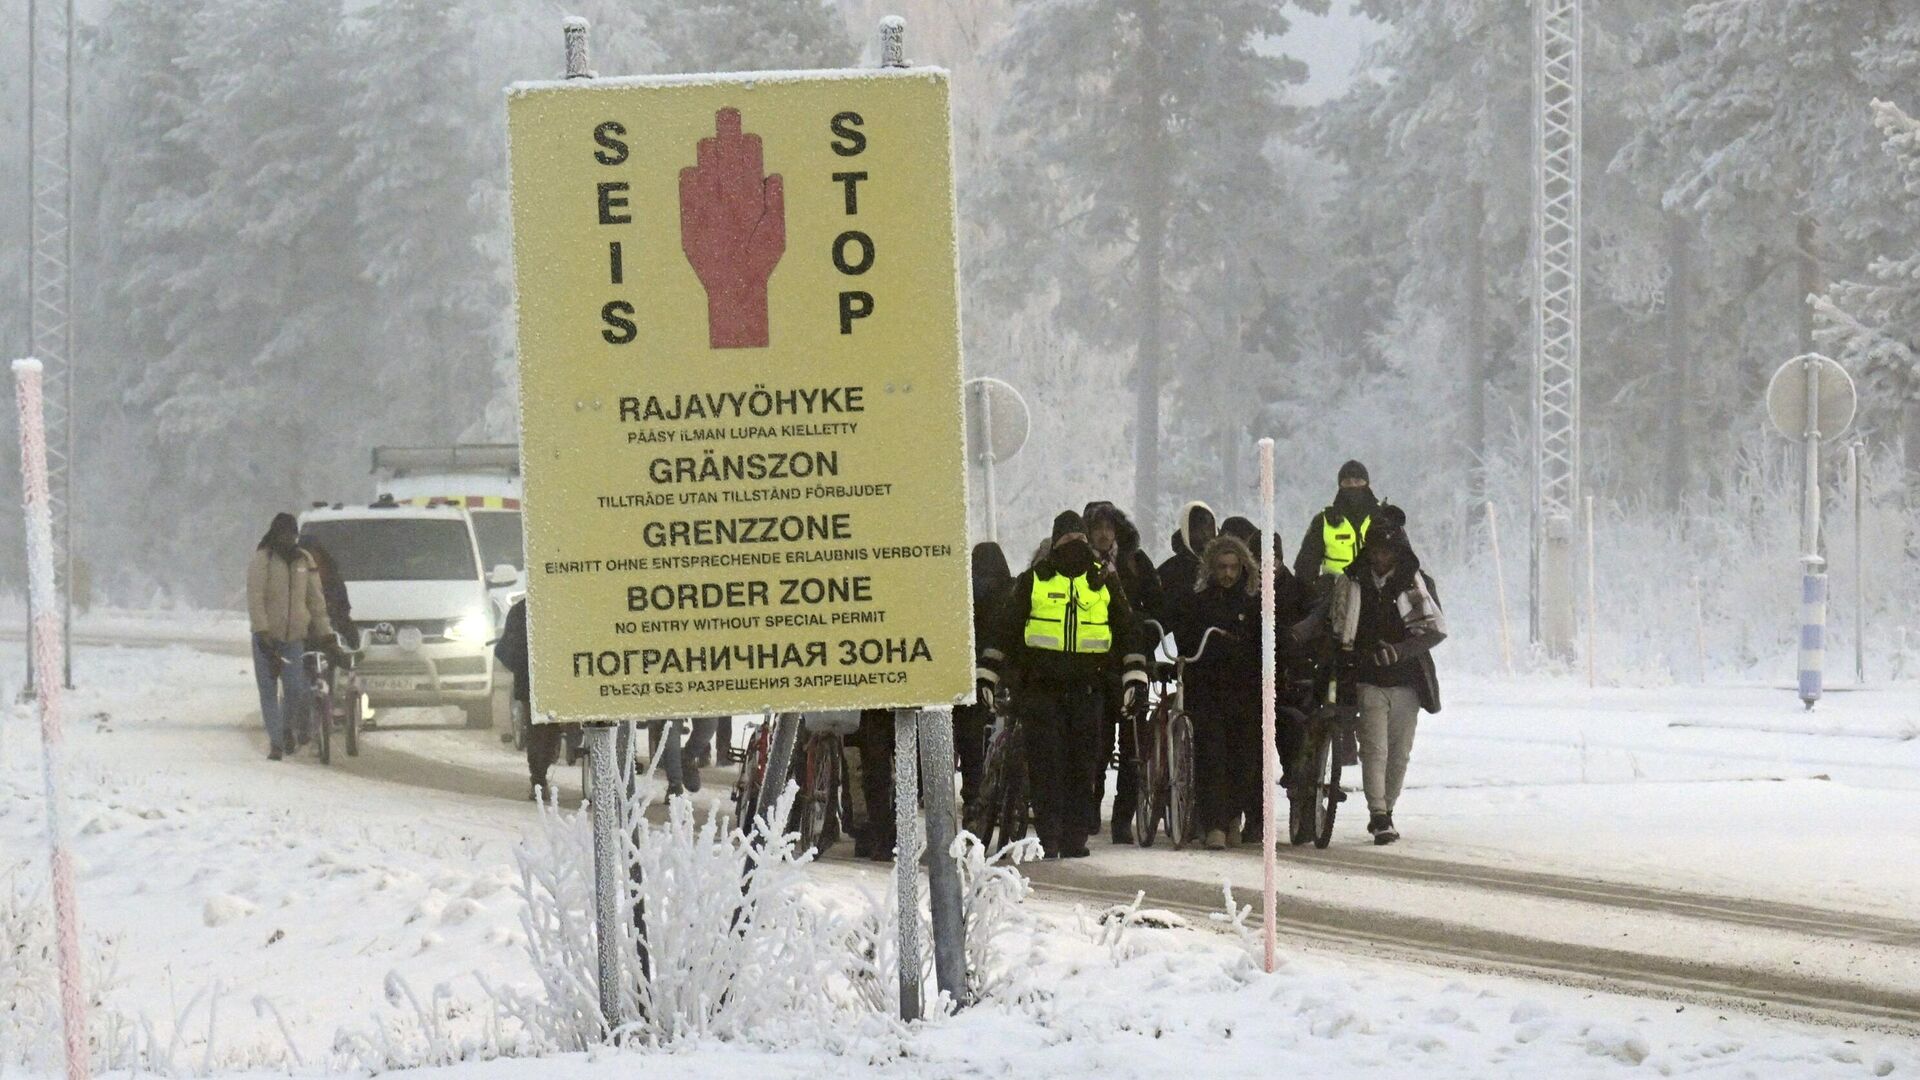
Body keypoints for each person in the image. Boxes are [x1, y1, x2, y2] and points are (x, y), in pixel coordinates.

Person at [978, 511, 1148, 859]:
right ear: (1055, 542)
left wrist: (1135, 674)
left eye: (1079, 539)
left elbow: (1127, 627)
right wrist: (989, 671)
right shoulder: (1034, 580)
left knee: (1083, 764)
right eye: (1068, 539)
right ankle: (1051, 835)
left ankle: (1073, 837)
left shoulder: (1103, 582)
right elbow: (1005, 628)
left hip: (1088, 688)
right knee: (1047, 764)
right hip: (1041, 689)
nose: (1075, 546)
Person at [1290, 521, 1445, 845]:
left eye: (1387, 550)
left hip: (1407, 680)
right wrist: (1297, 632)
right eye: (1376, 550)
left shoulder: (1417, 584)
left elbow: (1433, 629)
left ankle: (1386, 808)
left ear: (1398, 551)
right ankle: (1378, 814)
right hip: (1365, 676)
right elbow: (1325, 615)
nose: (1380, 557)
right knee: (1374, 748)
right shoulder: (1351, 581)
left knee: (1399, 752)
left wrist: (1400, 651)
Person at [1177, 535, 1263, 849]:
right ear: (1211, 569)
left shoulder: (1254, 603)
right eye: (1222, 567)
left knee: (1243, 758)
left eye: (1234, 568)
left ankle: (1231, 817)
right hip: (1209, 690)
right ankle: (1214, 822)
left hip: (1244, 691)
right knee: (1212, 754)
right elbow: (1187, 642)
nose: (1228, 574)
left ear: (1244, 568)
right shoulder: (1198, 602)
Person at [1082, 502, 1159, 843]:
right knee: (1096, 746)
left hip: (1131, 664)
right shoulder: (1079, 565)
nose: (1103, 534)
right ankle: (1090, 809)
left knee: (1133, 748)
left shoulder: (1136, 564)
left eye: (1108, 528)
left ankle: (1122, 819)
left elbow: (1159, 607)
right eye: (1097, 528)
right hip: (1095, 667)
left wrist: (1145, 638)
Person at [247, 513, 330, 760]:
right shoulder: (263, 559)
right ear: (275, 533)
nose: (289, 538)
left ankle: (285, 727)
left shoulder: (304, 560)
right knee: (268, 691)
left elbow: (316, 600)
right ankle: (276, 743)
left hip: (294, 639)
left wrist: (325, 633)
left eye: (292, 534)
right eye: (284, 533)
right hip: (266, 638)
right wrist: (261, 631)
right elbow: (255, 597)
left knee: (296, 689)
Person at [957, 542, 1014, 816]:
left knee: (969, 735)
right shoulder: (1010, 590)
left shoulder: (965, 592)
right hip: (1002, 669)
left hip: (971, 672)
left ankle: (972, 793)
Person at [494, 597, 555, 800]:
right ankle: (538, 779)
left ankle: (538, 780)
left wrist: (522, 670)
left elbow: (503, 650)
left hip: (533, 682)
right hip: (543, 681)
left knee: (538, 731)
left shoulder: (521, 610)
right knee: (542, 731)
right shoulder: (563, 602)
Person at [1293, 460, 1386, 591]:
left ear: (1367, 483)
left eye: (1358, 481)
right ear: (1340, 486)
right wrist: (1312, 592)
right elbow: (1305, 566)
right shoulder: (1324, 521)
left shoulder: (1384, 517)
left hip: (1379, 591)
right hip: (1336, 593)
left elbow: (1404, 557)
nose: (1353, 485)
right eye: (1347, 482)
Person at [1156, 502, 1217, 618]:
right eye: (1197, 528)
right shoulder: (1171, 569)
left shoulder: (1225, 564)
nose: (1204, 534)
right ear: (1186, 530)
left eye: (1208, 527)